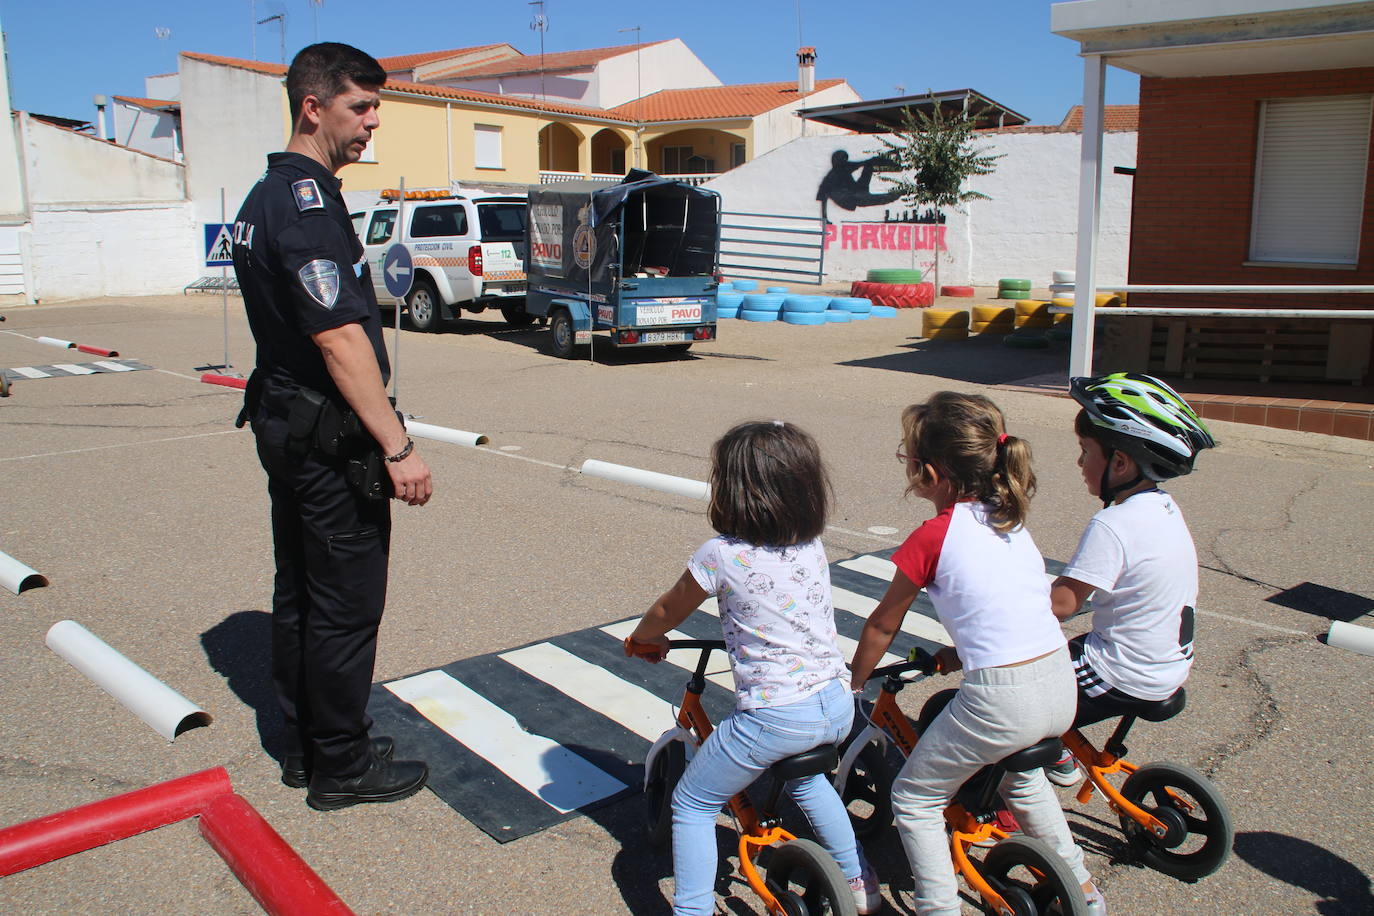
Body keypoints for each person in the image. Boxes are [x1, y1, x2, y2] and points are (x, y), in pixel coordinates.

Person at [232, 42, 432, 812]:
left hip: (285, 420)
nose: (372, 124)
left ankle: (306, 744)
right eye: (361, 107)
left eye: (376, 107)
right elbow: (338, 338)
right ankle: (341, 767)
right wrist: (398, 446)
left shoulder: (265, 196)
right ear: (313, 107)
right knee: (346, 604)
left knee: (302, 594)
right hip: (324, 435)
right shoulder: (307, 205)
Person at [849, 392, 1103, 916]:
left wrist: (852, 682)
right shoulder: (1008, 521)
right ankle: (1084, 892)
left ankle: (937, 908)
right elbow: (1003, 613)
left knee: (916, 799)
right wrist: (954, 652)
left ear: (932, 472)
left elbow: (882, 623)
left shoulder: (932, 536)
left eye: (909, 456)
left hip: (1002, 698)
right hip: (1058, 684)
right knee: (1022, 777)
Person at [626, 420, 881, 916]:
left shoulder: (721, 553)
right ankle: (858, 877)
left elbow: (667, 610)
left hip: (777, 716)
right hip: (834, 704)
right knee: (810, 781)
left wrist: (644, 640)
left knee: (693, 803)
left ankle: (693, 909)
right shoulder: (812, 544)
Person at [1045, 373, 1216, 787]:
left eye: (1086, 451)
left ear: (1120, 463)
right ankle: (1061, 742)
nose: (1079, 462)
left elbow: (1061, 606)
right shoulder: (1163, 508)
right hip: (1165, 664)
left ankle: (1001, 794)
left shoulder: (1114, 523)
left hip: (1123, 672)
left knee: (1009, 697)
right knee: (1067, 652)